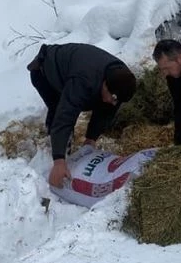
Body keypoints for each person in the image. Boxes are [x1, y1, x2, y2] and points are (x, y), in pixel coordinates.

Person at [27, 43, 136, 188]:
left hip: (76, 71)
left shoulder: (121, 79)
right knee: (57, 108)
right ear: (105, 84)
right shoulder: (83, 81)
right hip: (44, 71)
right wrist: (59, 160)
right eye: (113, 97)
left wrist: (91, 139)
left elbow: (105, 111)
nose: (113, 102)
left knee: (105, 103)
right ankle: (51, 156)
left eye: (117, 100)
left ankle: (61, 149)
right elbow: (65, 115)